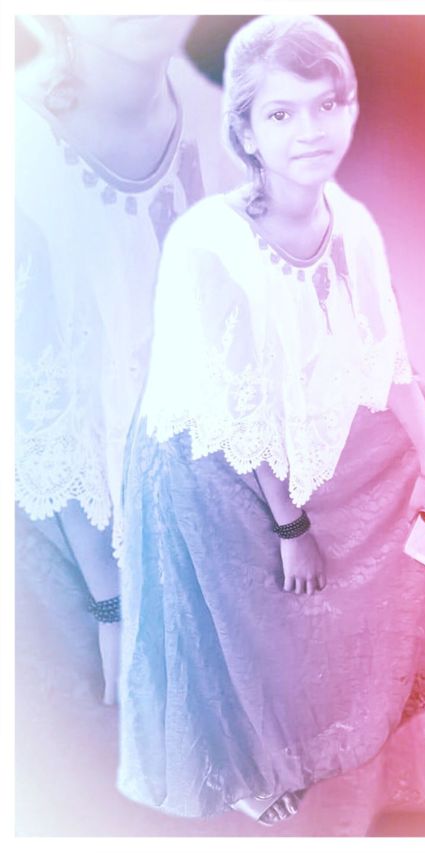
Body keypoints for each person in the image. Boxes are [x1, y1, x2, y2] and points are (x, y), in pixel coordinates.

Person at [116, 15, 425, 827]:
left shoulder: (349, 220)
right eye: (281, 113)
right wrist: (291, 528)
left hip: (294, 428)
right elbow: (233, 411)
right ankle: (254, 756)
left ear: (350, 110)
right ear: (245, 130)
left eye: (326, 105)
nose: (310, 131)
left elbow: (385, 356)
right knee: (254, 560)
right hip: (209, 468)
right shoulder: (207, 243)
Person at [15, 15, 237, 705]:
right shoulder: (22, 152)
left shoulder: (204, 101)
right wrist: (112, 604)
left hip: (205, 463)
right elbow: (39, 417)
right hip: (81, 518)